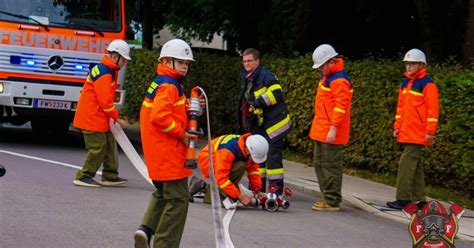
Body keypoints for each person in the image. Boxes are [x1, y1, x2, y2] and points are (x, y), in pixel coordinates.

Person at [133, 39, 198, 248]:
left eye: (187, 64)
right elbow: (160, 117)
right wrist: (183, 134)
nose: (185, 67)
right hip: (170, 153)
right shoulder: (170, 86)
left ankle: (145, 230)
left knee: (161, 193)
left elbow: (169, 111)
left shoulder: (161, 82)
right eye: (181, 63)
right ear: (167, 61)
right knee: (178, 200)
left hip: (158, 152)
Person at [73, 39, 131, 188]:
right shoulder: (105, 73)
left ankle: (110, 176)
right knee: (98, 147)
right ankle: (84, 176)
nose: (124, 62)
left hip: (98, 116)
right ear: (114, 56)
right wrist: (118, 119)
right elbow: (105, 101)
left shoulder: (108, 69)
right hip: (92, 117)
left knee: (110, 144)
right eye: (123, 59)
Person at [386, 48, 439, 210]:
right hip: (407, 132)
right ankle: (420, 200)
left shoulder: (427, 85)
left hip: (418, 134)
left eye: (412, 64)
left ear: (421, 65)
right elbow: (401, 109)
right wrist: (397, 127)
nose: (408, 66)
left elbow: (433, 110)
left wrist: (430, 131)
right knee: (415, 168)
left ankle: (403, 199)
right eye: (407, 63)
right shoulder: (405, 84)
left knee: (405, 165)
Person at [237, 48, 291, 196]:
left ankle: (275, 191)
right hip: (262, 124)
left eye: (249, 61)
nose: (246, 64)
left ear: (257, 61)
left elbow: (276, 94)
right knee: (257, 155)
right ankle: (258, 188)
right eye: (244, 61)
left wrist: (258, 103)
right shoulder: (248, 77)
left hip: (275, 124)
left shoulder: (266, 76)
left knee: (273, 158)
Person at [309, 44, 353, 211]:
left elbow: (340, 107)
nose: (319, 69)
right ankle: (327, 196)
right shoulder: (328, 77)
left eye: (321, 66)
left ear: (330, 62)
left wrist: (333, 128)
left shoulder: (339, 80)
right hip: (322, 128)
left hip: (330, 130)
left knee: (330, 165)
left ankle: (332, 200)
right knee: (319, 163)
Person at [190, 133, 268, 206]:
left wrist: (256, 189)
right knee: (240, 166)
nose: (255, 161)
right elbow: (221, 178)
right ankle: (201, 185)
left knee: (240, 167)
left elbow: (253, 171)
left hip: (218, 160)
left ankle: (224, 193)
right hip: (208, 161)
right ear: (248, 151)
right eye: (254, 158)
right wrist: (240, 197)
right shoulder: (227, 152)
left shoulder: (248, 147)